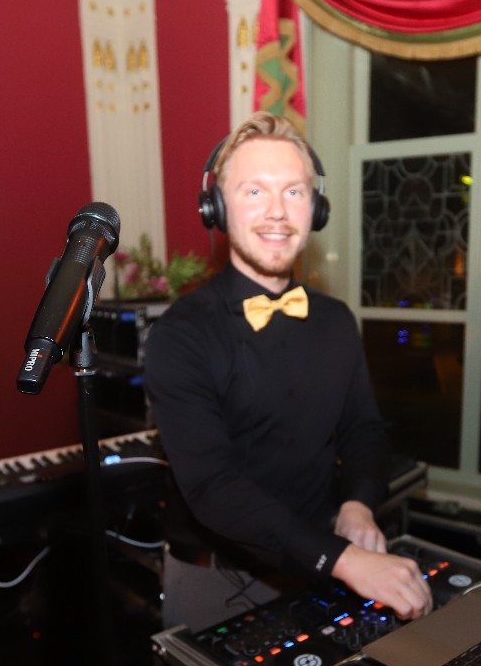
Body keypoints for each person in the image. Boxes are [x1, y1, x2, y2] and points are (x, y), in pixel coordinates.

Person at [143, 111, 431, 632]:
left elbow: (363, 429)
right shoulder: (180, 335)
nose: (277, 211)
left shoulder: (336, 320)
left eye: (294, 192)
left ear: (315, 209)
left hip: (320, 567)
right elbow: (213, 486)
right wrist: (344, 560)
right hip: (215, 583)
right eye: (254, 191)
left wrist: (358, 504)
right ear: (216, 208)